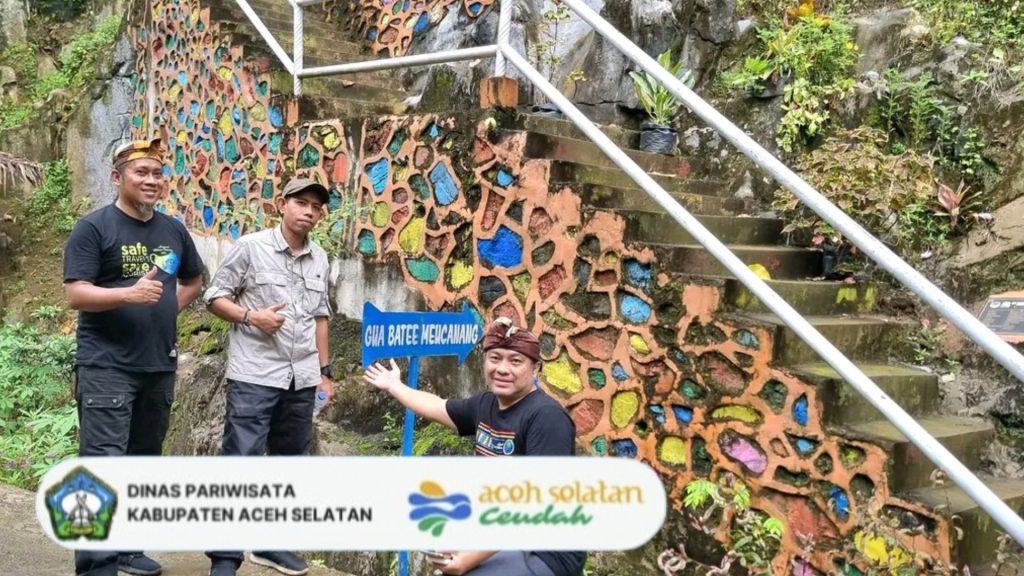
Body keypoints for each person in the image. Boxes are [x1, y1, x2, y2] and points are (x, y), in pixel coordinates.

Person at [63, 137, 205, 576]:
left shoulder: (173, 230)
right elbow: (76, 293)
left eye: (158, 173)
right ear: (117, 177)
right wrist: (129, 295)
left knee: (143, 463)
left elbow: (193, 280)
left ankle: (127, 550)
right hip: (106, 366)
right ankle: (96, 567)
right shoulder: (94, 228)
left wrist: (164, 310)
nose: (151, 180)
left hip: (157, 365)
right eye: (141, 172)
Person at [363, 318, 587, 576]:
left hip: (546, 551)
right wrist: (394, 385)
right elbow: (437, 407)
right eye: (495, 358)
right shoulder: (486, 404)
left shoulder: (546, 418)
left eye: (515, 361)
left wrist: (466, 561)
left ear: (535, 368)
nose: (502, 369)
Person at [202, 177, 336, 576]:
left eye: (316, 206)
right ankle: (225, 558)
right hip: (255, 374)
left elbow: (320, 317)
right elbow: (214, 296)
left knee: (290, 462)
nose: (309, 211)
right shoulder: (250, 247)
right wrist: (251, 317)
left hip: (302, 377)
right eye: (301, 202)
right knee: (241, 461)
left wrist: (325, 373)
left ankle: (270, 544)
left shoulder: (320, 258)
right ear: (283, 204)